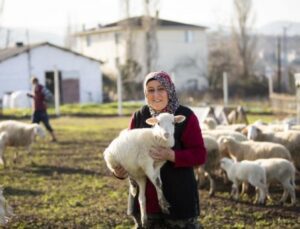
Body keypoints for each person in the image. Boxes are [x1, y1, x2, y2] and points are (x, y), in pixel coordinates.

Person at [113, 71, 207, 228]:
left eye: (161, 88)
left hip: (178, 200)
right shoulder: (139, 116)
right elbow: (126, 150)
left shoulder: (185, 116)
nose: (156, 94)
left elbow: (200, 155)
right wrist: (119, 171)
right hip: (146, 204)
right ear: (145, 93)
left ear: (169, 90)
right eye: (150, 90)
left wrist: (172, 155)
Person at [27, 77, 57, 142]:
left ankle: (54, 137)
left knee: (45, 125)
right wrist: (31, 96)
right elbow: (37, 97)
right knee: (34, 125)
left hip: (41, 110)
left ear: (35, 82)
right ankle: (33, 139)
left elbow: (49, 95)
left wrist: (45, 100)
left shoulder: (41, 88)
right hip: (36, 109)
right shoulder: (36, 88)